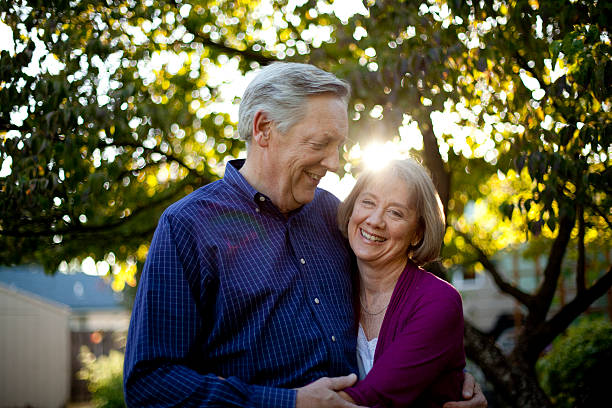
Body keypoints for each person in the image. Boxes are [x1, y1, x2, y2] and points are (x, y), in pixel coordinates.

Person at [123, 62, 486, 408]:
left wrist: (450, 381)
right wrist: (288, 403)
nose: (334, 163)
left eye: (338, 146)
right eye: (319, 145)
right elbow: (150, 383)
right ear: (263, 128)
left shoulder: (335, 215)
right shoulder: (188, 226)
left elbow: (397, 317)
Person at [336, 159, 466, 407]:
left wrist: (288, 401)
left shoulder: (438, 301)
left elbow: (372, 399)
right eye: (368, 202)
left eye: (395, 213)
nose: (375, 220)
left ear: (417, 233)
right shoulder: (334, 285)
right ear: (352, 207)